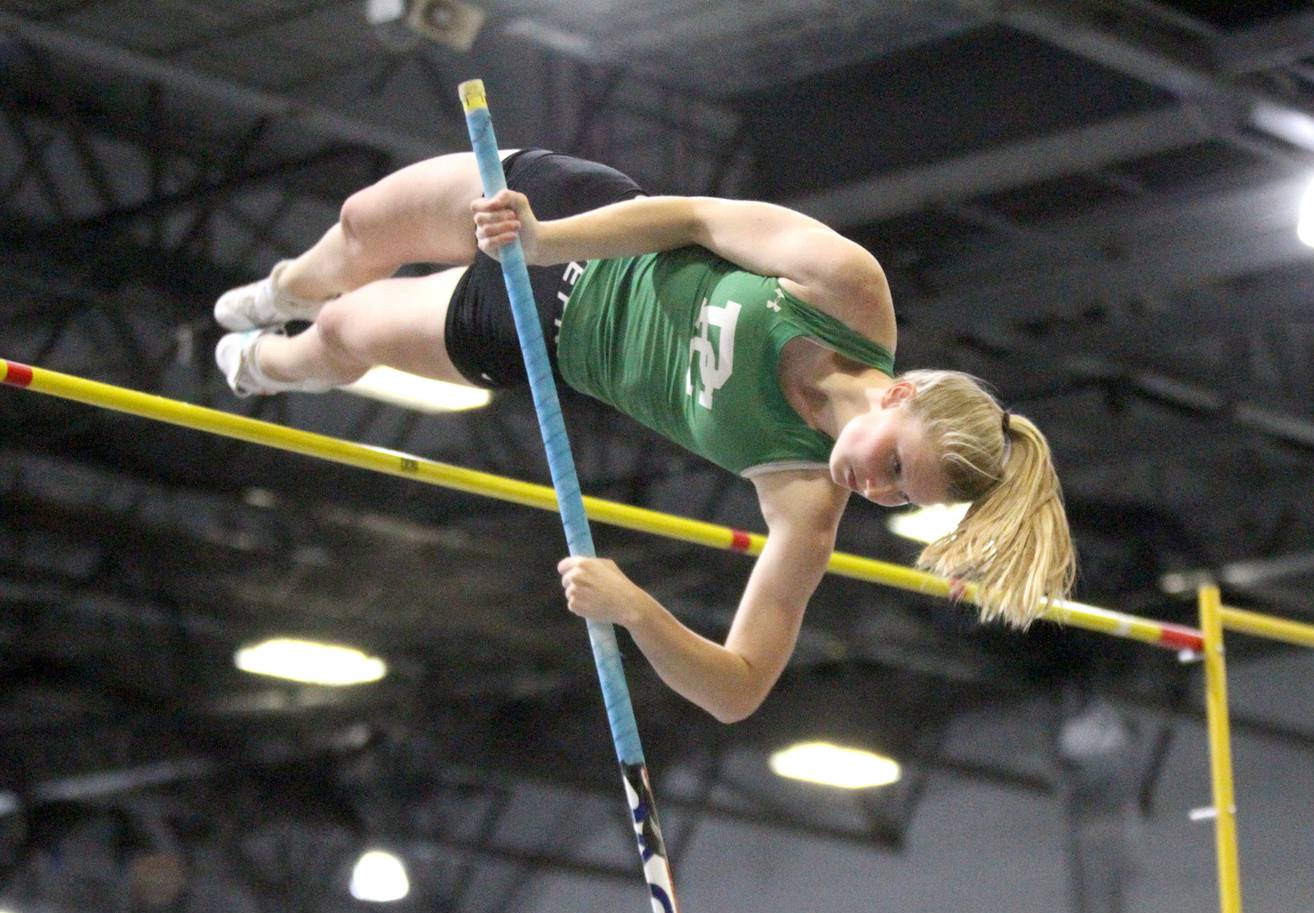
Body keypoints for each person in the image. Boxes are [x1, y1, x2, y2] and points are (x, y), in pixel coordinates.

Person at [212, 148, 1076, 722]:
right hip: (581, 219)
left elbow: (738, 689)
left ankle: (265, 363)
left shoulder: (803, 502)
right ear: (903, 391)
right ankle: (284, 285)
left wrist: (637, 610)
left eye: (899, 495)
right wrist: (546, 239)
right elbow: (693, 218)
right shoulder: (848, 289)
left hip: (541, 337)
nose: (877, 488)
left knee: (347, 334)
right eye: (895, 464)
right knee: (366, 223)